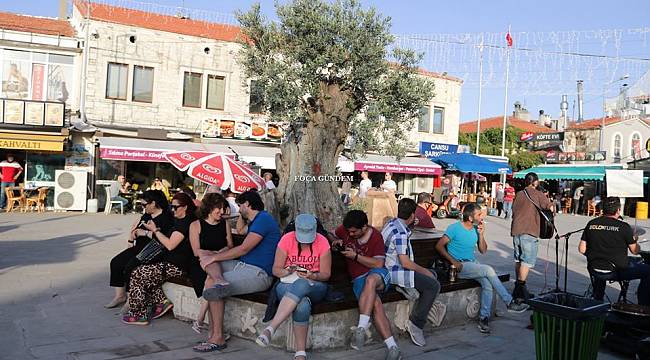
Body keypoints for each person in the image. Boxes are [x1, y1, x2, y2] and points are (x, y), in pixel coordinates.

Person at [193, 190, 280, 352]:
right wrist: (243, 214)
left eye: (240, 206)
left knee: (212, 286)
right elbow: (240, 231)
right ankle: (215, 332)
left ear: (247, 204)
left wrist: (215, 258)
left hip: (258, 273)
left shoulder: (264, 220)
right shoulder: (256, 220)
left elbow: (244, 249)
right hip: (243, 266)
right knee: (204, 255)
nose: (237, 209)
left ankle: (217, 338)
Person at [436, 203, 529, 334]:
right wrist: (453, 261)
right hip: (460, 267)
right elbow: (439, 246)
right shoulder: (454, 228)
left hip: (473, 264)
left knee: (487, 284)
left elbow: (483, 250)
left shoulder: (475, 229)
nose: (481, 217)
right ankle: (509, 302)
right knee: (488, 270)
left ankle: (484, 318)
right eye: (479, 215)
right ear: (470, 218)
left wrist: (481, 234)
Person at [255, 214, 331, 360]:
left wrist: (312, 275)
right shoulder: (286, 239)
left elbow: (326, 274)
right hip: (286, 283)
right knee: (301, 305)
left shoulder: (322, 242)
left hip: (315, 285)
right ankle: (300, 353)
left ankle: (271, 328)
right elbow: (276, 270)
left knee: (302, 283)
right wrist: (288, 270)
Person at [333, 210, 401, 360]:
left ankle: (361, 328)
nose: (350, 235)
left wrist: (356, 257)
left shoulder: (376, 236)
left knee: (370, 281)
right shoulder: (345, 229)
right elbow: (332, 233)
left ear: (364, 227)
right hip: (358, 279)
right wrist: (334, 240)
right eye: (348, 232)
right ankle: (393, 347)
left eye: (354, 232)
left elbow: (378, 263)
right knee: (375, 304)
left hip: (377, 274)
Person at [122, 193, 197, 325]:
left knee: (138, 273)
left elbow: (170, 245)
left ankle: (139, 314)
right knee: (140, 269)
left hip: (177, 265)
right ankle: (161, 302)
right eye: (171, 207)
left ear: (185, 207)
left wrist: (155, 230)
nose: (172, 210)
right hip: (170, 262)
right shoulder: (180, 220)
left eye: (176, 207)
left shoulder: (186, 223)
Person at [382, 198, 440, 347]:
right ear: (413, 215)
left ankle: (408, 288)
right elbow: (405, 263)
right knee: (433, 285)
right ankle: (416, 324)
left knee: (433, 275)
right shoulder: (400, 233)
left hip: (389, 267)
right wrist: (425, 272)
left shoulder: (391, 223)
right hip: (395, 272)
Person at [105, 190, 173, 309]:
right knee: (116, 262)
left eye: (144, 204)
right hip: (139, 247)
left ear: (153, 203)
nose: (143, 207)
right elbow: (135, 230)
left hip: (154, 250)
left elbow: (164, 239)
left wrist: (146, 232)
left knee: (130, 267)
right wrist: (131, 239)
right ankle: (120, 295)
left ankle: (131, 298)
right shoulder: (146, 215)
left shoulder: (166, 218)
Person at [579, 197, 650, 305]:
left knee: (602, 263)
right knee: (647, 270)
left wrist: (597, 253)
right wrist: (635, 241)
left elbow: (581, 249)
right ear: (618, 210)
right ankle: (643, 306)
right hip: (616, 271)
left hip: (595, 268)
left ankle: (597, 301)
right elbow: (635, 251)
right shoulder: (624, 227)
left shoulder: (591, 223)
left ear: (603, 209)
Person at [189, 193, 234, 334]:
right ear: (209, 208)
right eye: (219, 209)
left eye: (223, 209)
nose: (222, 212)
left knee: (211, 279)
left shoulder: (224, 224)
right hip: (200, 263)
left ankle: (201, 319)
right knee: (208, 264)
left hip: (220, 259)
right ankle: (212, 330)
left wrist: (217, 255)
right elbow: (197, 251)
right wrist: (212, 255)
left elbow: (230, 245)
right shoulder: (195, 225)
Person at [510, 172, 552, 303]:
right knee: (526, 261)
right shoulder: (538, 194)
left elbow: (514, 210)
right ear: (536, 182)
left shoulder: (519, 194)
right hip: (529, 230)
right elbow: (550, 208)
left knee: (518, 260)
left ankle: (519, 289)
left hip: (516, 230)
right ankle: (520, 291)